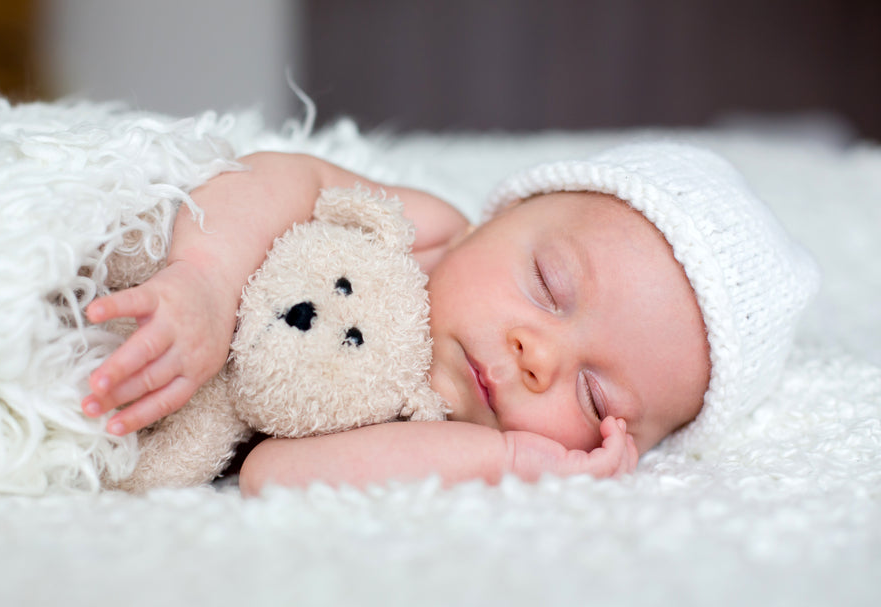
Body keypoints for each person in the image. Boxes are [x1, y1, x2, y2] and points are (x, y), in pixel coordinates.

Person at [80, 142, 819, 495]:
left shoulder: (448, 435)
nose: (541, 357)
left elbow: (276, 472)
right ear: (502, 217)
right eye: (549, 283)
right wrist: (205, 281)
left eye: (594, 397)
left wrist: (511, 462)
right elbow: (276, 175)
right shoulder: (422, 232)